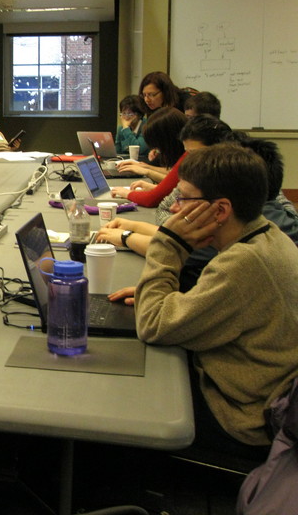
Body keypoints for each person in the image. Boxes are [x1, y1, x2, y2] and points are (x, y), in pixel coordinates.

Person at [132, 144, 298, 456]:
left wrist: (169, 243)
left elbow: (152, 325)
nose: (174, 209)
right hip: (264, 393)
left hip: (244, 418)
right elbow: (228, 301)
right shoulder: (266, 233)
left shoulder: (242, 264)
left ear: (220, 210)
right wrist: (172, 295)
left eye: (183, 199)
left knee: (133, 391)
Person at [97, 115, 234, 255]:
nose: (174, 207)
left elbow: (175, 247)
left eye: (193, 154)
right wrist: (133, 226)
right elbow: (175, 231)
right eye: (187, 153)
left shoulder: (217, 187)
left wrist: (126, 237)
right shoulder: (201, 177)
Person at [111, 107, 187, 206]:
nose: (159, 151)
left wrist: (128, 193)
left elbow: (151, 199)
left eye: (159, 146)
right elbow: (174, 181)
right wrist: (155, 187)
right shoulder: (188, 152)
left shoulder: (189, 156)